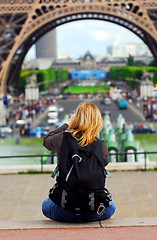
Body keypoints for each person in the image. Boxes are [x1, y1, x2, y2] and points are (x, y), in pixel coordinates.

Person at [42, 102, 115, 222]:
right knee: (112, 206)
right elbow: (104, 163)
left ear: (76, 119)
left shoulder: (63, 139)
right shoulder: (100, 145)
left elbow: (46, 140)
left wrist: (67, 124)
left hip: (64, 210)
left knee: (45, 205)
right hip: (95, 211)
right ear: (97, 122)